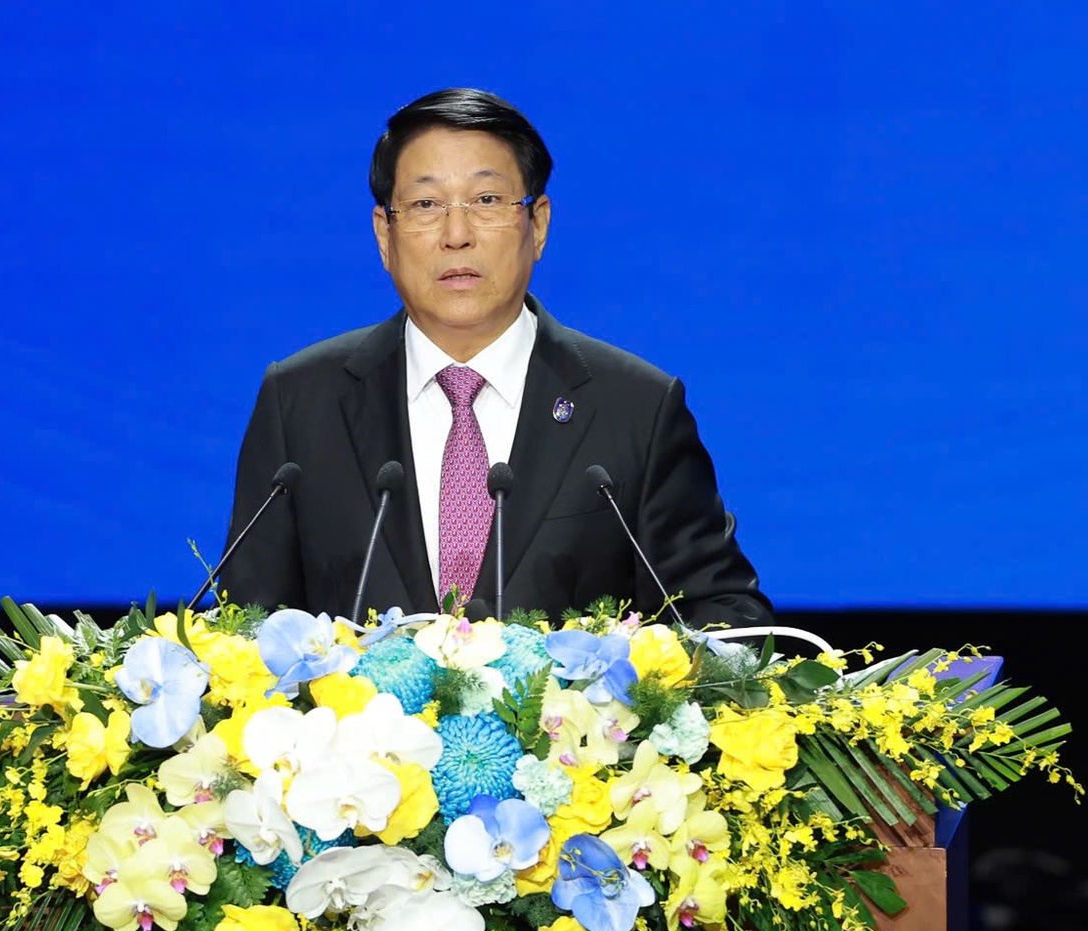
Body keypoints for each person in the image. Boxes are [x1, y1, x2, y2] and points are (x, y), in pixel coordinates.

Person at [218, 87, 771, 628]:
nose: (457, 234)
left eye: (486, 201)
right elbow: (243, 628)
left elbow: (724, 619)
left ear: (539, 224)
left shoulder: (637, 407)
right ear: (385, 234)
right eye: (426, 204)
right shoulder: (300, 401)